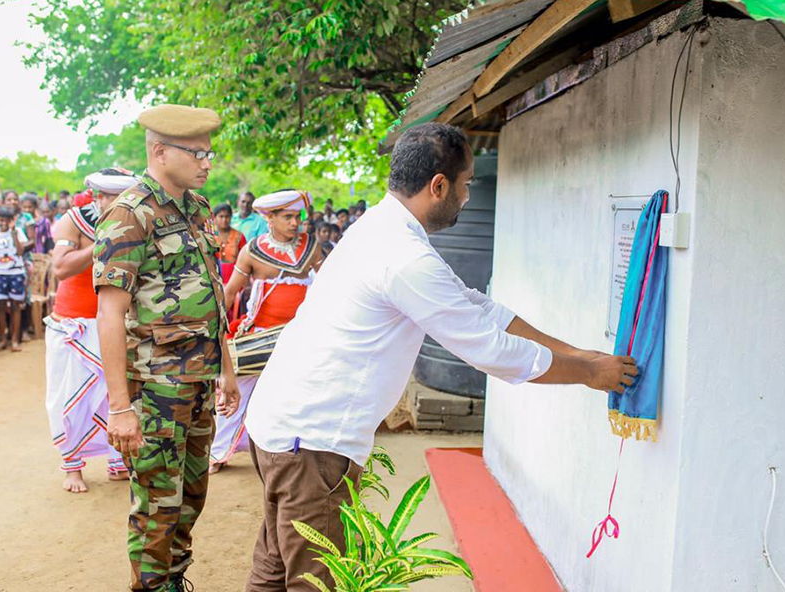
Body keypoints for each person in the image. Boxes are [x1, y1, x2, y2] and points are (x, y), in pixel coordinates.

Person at [242, 123, 638, 591]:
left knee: (272, 571)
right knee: (317, 584)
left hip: (279, 426)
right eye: (468, 183)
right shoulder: (406, 258)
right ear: (439, 185)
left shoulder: (380, 226)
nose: (469, 195)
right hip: (311, 445)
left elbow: (475, 304)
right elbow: (491, 349)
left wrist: (573, 351)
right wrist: (591, 372)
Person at [94, 104, 241, 591]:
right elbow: (109, 313)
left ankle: (175, 579)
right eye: (197, 153)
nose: (207, 163)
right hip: (156, 389)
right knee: (158, 502)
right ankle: (152, 587)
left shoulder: (197, 209)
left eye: (209, 153)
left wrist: (227, 368)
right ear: (160, 152)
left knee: (192, 496)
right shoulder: (129, 214)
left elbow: (212, 294)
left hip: (198, 382)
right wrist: (120, 409)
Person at [211, 189, 324, 474]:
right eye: (287, 217)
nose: (295, 223)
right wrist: (214, 322)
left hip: (301, 336)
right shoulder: (252, 250)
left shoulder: (311, 247)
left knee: (302, 394)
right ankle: (217, 452)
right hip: (259, 335)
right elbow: (231, 291)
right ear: (269, 218)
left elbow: (327, 285)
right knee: (237, 388)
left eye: (297, 217)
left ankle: (295, 451)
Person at [45, 168, 139, 493]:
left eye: (120, 197)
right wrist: (102, 241)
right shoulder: (73, 220)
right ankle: (72, 467)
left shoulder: (137, 221)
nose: (112, 202)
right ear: (97, 197)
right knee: (69, 397)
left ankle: (118, 461)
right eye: (107, 197)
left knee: (114, 395)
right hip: (72, 325)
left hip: (115, 323)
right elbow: (60, 268)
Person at [0, 206, 27, 352]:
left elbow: (21, 252)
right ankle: (3, 339)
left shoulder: (18, 232)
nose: (3, 223)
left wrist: (13, 232)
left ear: (11, 221)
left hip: (16, 273)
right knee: (0, 307)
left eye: (6, 220)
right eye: (1, 220)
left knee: (15, 306)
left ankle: (14, 340)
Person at [213, 202, 247, 284]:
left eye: (227, 216)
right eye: (221, 216)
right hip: (215, 281)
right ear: (214, 218)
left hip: (236, 281)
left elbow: (245, 261)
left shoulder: (239, 236)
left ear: (231, 217)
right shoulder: (210, 236)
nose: (224, 220)